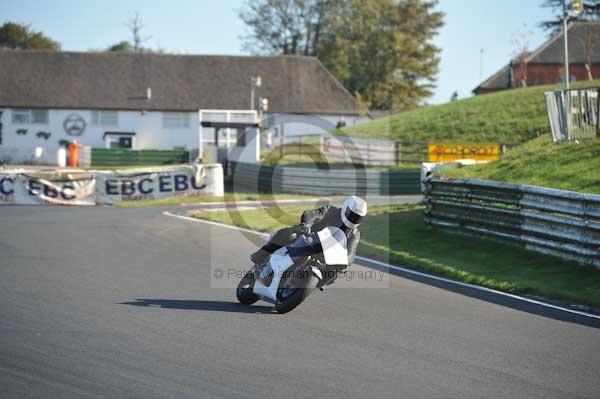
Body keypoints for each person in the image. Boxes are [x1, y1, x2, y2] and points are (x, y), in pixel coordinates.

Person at [250, 196, 367, 267]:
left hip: (324, 255)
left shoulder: (354, 235)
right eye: (351, 215)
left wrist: (345, 261)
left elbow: (351, 253)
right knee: (291, 234)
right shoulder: (331, 210)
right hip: (308, 238)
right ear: (345, 207)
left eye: (357, 217)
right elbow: (311, 214)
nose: (352, 218)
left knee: (338, 269)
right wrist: (306, 225)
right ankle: (261, 255)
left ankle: (309, 284)